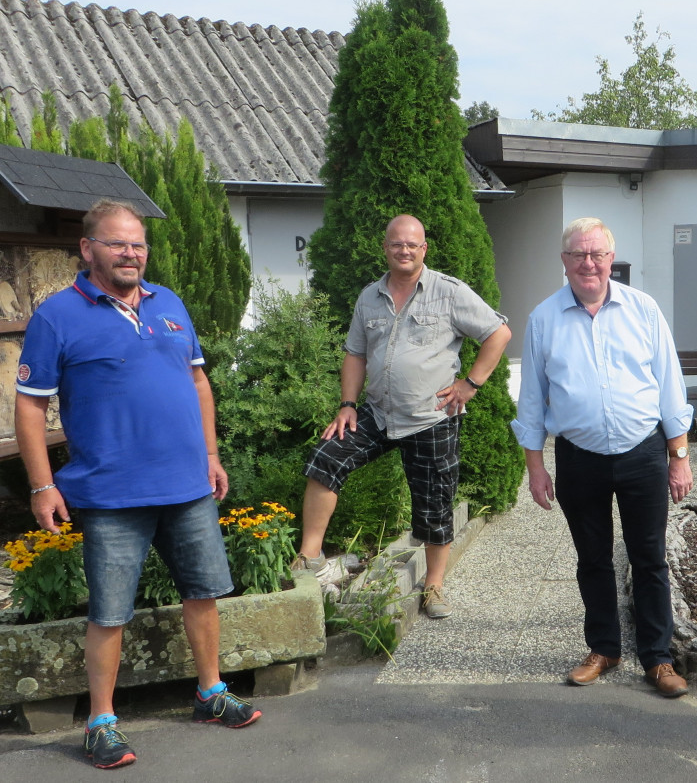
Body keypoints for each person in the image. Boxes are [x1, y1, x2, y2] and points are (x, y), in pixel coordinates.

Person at [15, 199, 261, 770]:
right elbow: (30, 408)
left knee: (203, 593)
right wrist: (41, 486)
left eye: (138, 245)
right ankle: (101, 723)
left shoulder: (168, 303)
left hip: (188, 484)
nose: (131, 254)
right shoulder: (57, 316)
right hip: (109, 495)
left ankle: (210, 693)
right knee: (109, 612)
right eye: (117, 243)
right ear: (87, 249)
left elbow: (198, 383)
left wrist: (211, 453)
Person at [512, 217, 694, 698]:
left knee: (649, 558)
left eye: (597, 254)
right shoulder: (544, 319)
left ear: (612, 260)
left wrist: (679, 455)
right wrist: (535, 466)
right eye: (578, 255)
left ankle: (658, 659)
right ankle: (604, 648)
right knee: (592, 559)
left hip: (643, 453)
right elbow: (532, 400)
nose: (588, 263)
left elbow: (670, 386)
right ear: (564, 261)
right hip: (579, 457)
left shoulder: (644, 310)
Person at [294, 214, 510, 619]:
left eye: (413, 244)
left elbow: (498, 333)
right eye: (397, 244)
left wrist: (470, 385)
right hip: (376, 413)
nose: (405, 250)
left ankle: (434, 587)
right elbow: (355, 354)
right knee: (326, 458)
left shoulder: (449, 292)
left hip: (432, 417)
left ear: (423, 249)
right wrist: (346, 405)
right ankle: (310, 560)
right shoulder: (368, 298)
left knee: (435, 505)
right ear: (386, 247)